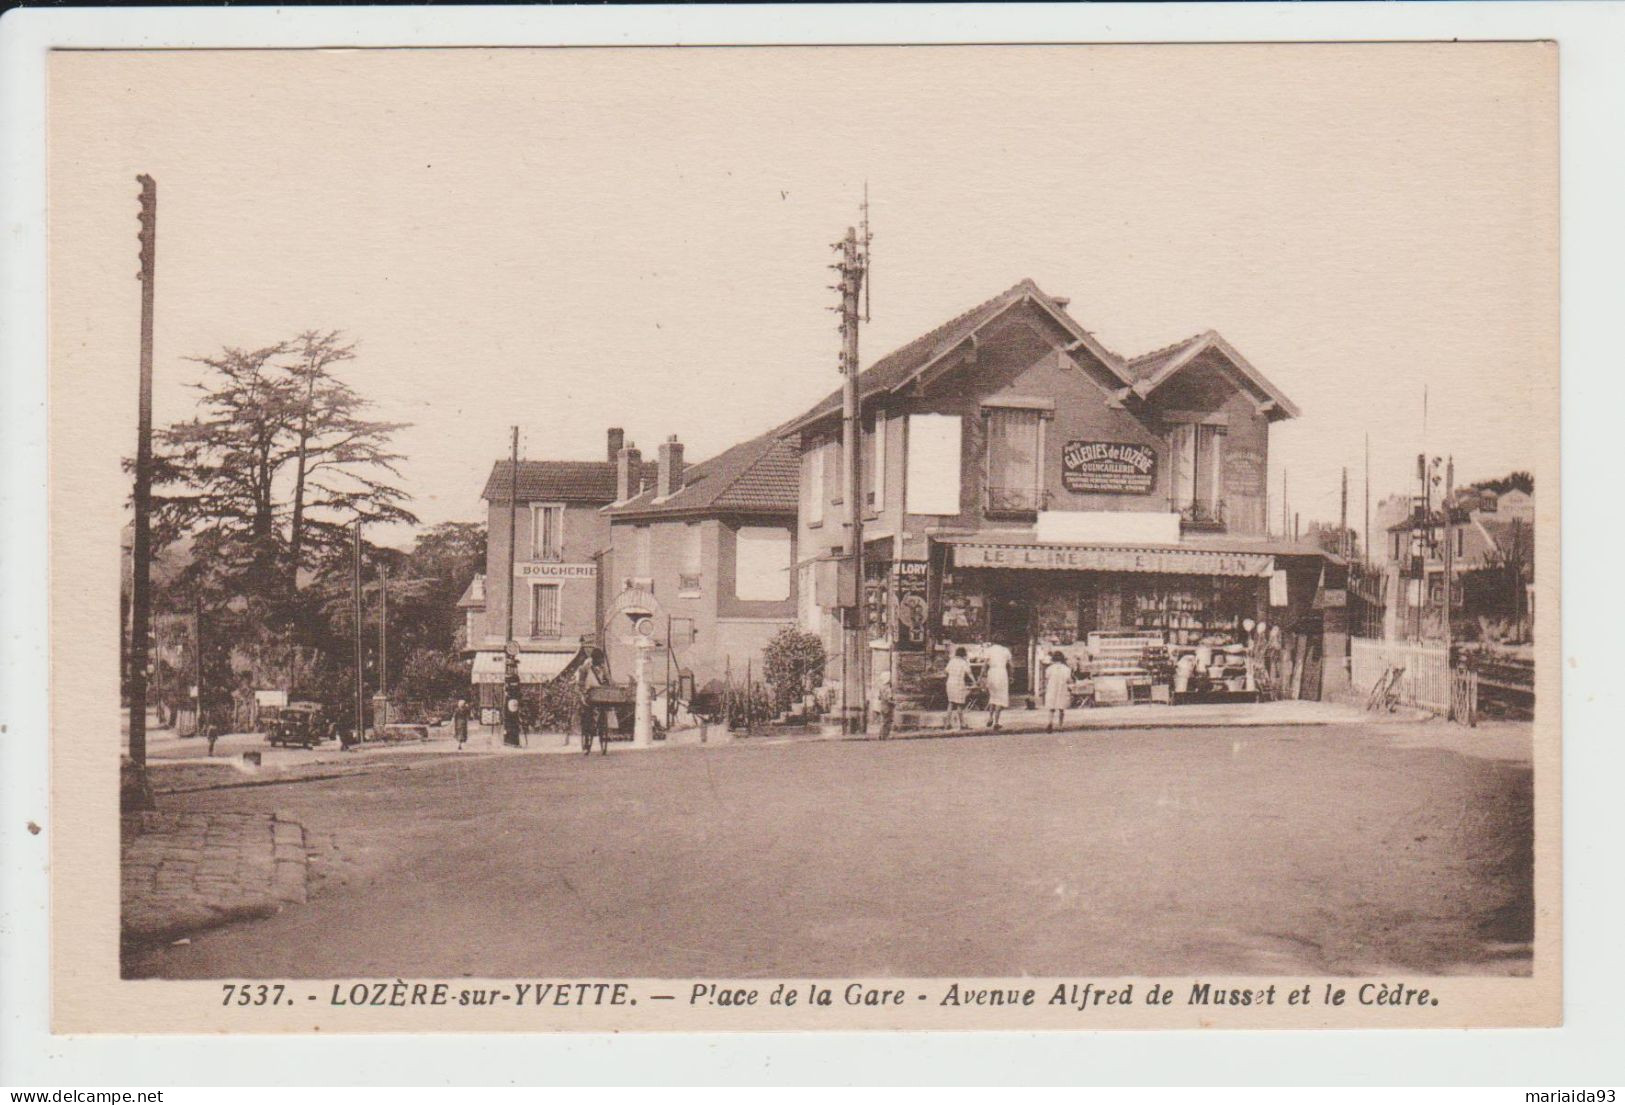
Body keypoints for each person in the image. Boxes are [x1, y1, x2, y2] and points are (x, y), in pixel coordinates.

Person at [577, 648, 611, 755]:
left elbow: (607, 680)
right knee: (587, 717)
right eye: (600, 659)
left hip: (599, 694)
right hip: (589, 694)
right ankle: (587, 743)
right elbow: (581, 681)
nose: (601, 661)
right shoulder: (586, 666)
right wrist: (583, 694)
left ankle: (601, 733)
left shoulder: (602, 667)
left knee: (602, 714)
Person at [982, 639, 1013, 730]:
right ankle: (996, 721)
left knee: (993, 696)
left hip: (992, 672)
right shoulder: (1005, 650)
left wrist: (982, 675)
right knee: (1000, 697)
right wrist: (1011, 676)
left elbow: (984, 665)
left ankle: (990, 717)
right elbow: (1011, 665)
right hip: (1002, 673)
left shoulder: (989, 650)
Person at [1043, 650, 1073, 732]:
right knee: (1061, 708)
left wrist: (1045, 688)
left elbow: (1046, 679)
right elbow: (1069, 680)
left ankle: (1050, 722)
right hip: (1062, 688)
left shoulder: (1049, 668)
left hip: (1051, 688)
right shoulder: (1066, 669)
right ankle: (1060, 726)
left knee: (1051, 708)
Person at [943, 646, 972, 730]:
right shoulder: (963, 662)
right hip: (959, 683)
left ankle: (948, 723)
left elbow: (946, 671)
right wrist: (975, 682)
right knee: (960, 705)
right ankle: (962, 724)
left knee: (951, 703)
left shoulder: (952, 661)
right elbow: (969, 673)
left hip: (950, 683)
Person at [873, 670, 895, 740]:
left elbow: (879, 697)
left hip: (882, 706)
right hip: (888, 706)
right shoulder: (888, 688)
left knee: (883, 721)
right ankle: (885, 735)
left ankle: (881, 735)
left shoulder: (881, 687)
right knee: (888, 721)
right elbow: (889, 699)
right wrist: (894, 703)